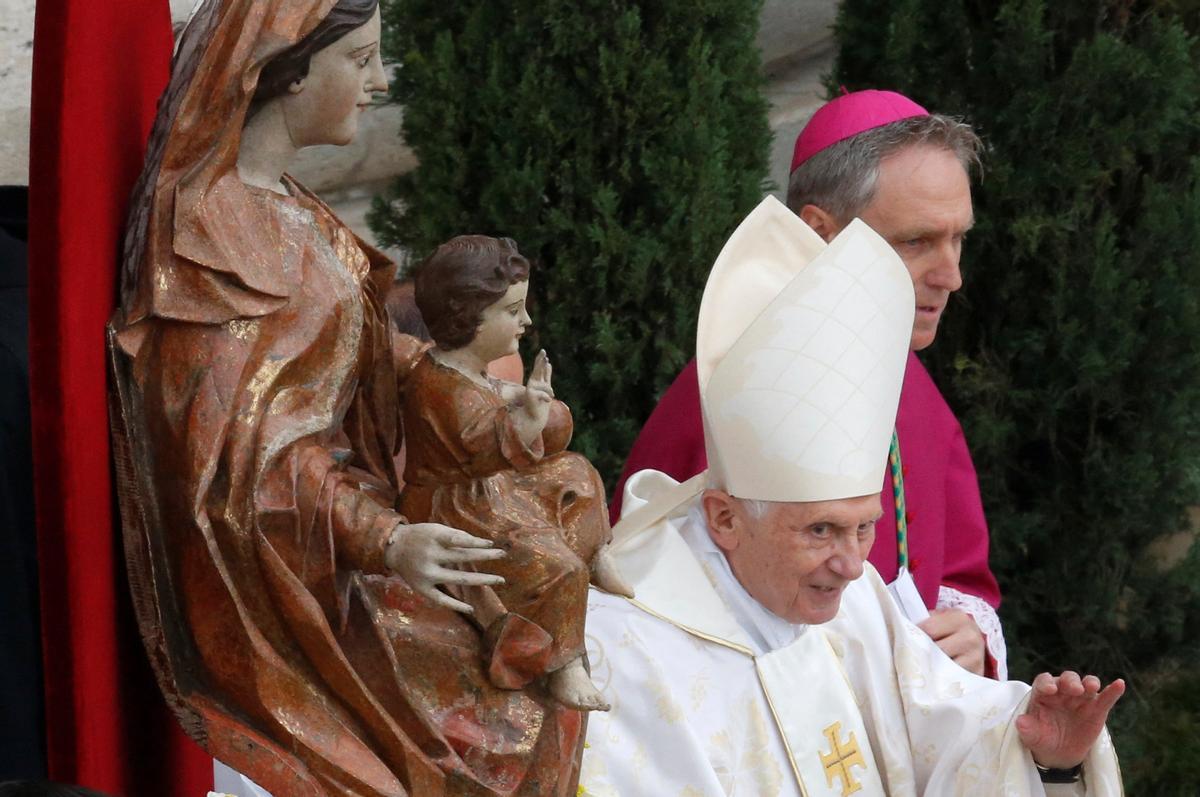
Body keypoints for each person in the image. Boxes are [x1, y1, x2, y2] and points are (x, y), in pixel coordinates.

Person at [111, 1, 586, 794]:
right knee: (502, 709)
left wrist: (470, 381)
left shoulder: (292, 206)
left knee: (555, 535)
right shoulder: (213, 240)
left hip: (352, 521)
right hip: (293, 575)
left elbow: (360, 358)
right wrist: (384, 539)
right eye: (360, 61)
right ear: (289, 72)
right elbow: (236, 467)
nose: (379, 83)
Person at [581, 197, 1124, 797]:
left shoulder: (853, 598)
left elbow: (947, 727)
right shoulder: (622, 652)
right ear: (726, 517)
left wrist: (1045, 754)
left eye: (864, 527)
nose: (853, 565)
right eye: (820, 531)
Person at [610, 89, 1006, 678]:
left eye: (959, 239)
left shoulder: (909, 377)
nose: (952, 276)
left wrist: (971, 639)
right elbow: (645, 610)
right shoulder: (731, 391)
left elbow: (956, 576)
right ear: (821, 232)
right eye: (916, 242)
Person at [402, 235, 630, 711]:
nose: (525, 322)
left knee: (576, 473)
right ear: (469, 318)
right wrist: (527, 418)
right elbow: (483, 448)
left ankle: (595, 552)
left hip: (491, 486)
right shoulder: (437, 385)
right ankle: (563, 663)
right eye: (512, 311)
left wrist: (530, 407)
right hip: (459, 506)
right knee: (556, 566)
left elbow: (506, 416)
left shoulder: (469, 374)